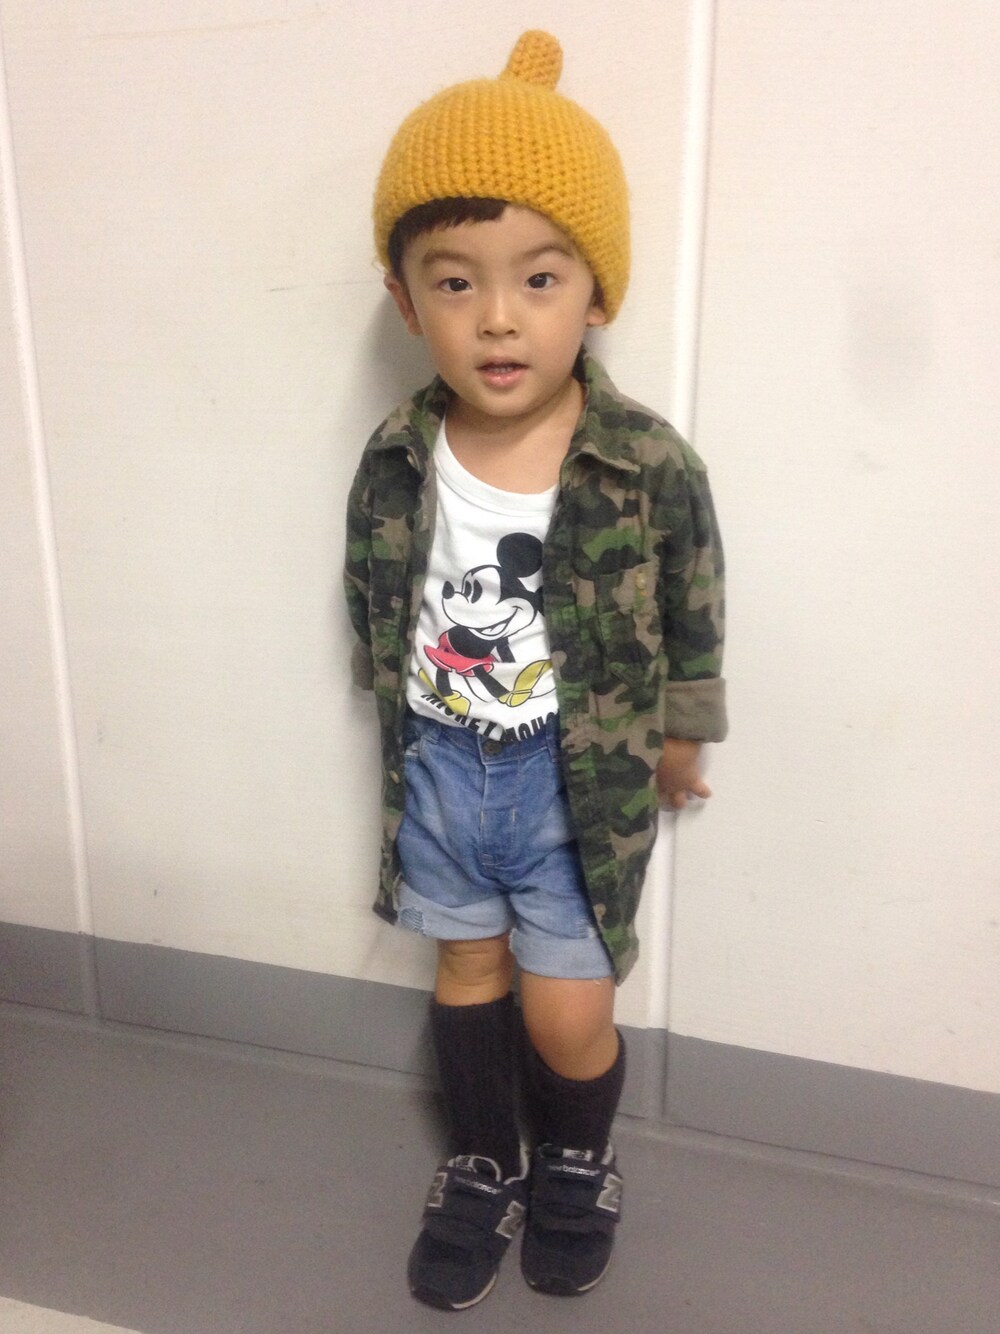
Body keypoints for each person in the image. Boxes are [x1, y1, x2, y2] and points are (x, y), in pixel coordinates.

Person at [344, 30, 726, 1311]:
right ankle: (483, 1160)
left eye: (539, 277)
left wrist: (681, 727)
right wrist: (389, 690)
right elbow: (373, 579)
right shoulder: (400, 452)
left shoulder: (644, 461)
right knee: (466, 972)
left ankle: (576, 1155)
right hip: (445, 767)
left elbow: (693, 592)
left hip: (576, 781)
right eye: (455, 282)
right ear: (407, 301)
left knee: (566, 1008)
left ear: (595, 292)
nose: (497, 316)